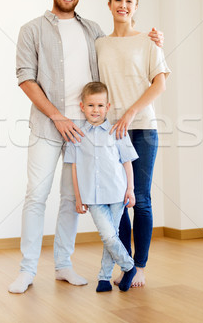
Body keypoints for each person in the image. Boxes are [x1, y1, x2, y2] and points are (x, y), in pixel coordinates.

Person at [10, 0, 163, 294]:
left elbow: (127, 47)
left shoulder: (93, 31)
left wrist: (156, 41)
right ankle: (27, 270)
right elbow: (25, 77)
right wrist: (57, 116)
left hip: (88, 131)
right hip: (49, 126)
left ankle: (63, 265)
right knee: (36, 195)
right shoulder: (32, 29)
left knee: (70, 201)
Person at [96, 0, 171, 288]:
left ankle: (139, 266)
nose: (123, 5)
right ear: (109, 3)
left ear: (135, 6)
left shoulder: (148, 42)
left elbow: (160, 83)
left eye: (129, 0)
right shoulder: (100, 43)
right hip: (109, 132)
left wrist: (129, 112)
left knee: (139, 198)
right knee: (118, 199)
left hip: (141, 128)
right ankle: (125, 264)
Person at [64, 82, 138, 292]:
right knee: (108, 235)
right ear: (82, 106)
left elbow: (127, 162)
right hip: (92, 196)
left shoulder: (117, 131)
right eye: (90, 105)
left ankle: (104, 278)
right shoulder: (76, 135)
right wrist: (78, 198)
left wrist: (130, 189)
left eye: (99, 105)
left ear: (108, 107)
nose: (95, 110)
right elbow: (75, 168)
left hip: (117, 193)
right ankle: (129, 266)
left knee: (110, 235)